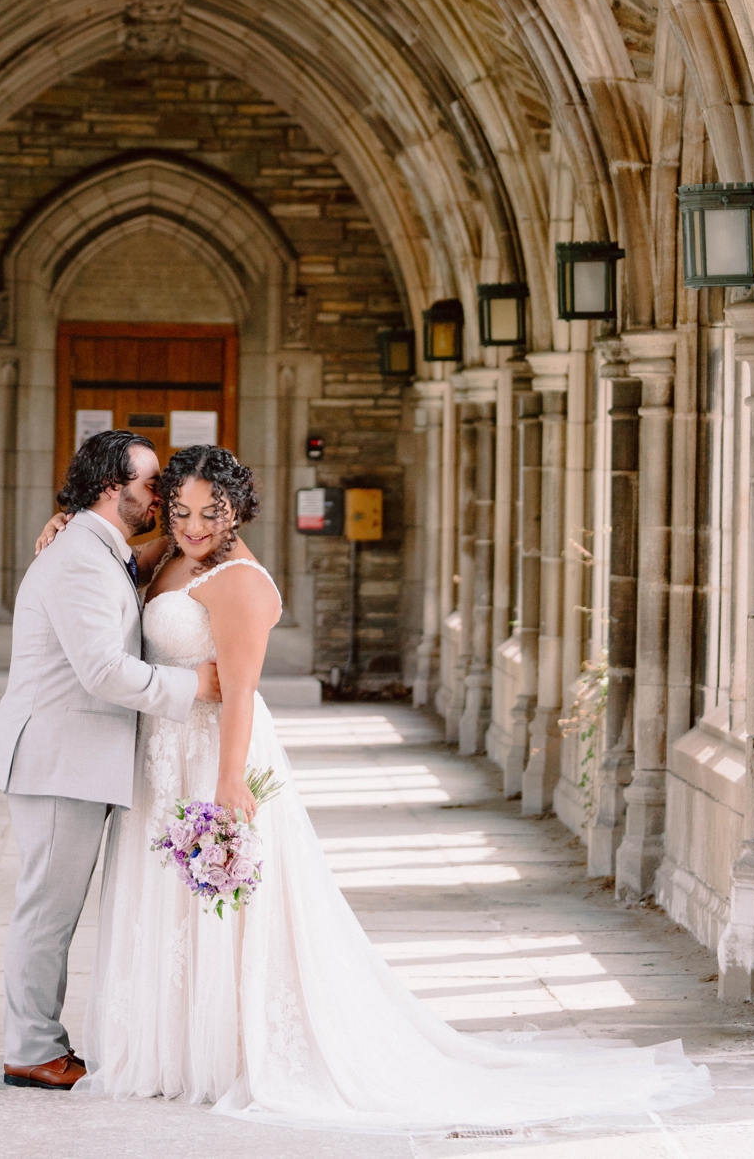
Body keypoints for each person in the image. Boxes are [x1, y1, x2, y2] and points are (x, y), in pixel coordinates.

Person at [38, 443, 712, 1132]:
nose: (193, 525)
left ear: (238, 508)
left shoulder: (238, 580)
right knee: (163, 903)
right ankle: (163, 1047)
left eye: (211, 512)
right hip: (162, 754)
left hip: (213, 750)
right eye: (179, 510)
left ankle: (225, 1053)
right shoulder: (167, 558)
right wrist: (64, 524)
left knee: (222, 912)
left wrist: (228, 786)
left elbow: (239, 693)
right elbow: (109, 560)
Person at [0, 428, 221, 1092]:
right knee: (47, 910)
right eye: (153, 485)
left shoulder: (96, 545)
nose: (162, 496)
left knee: (51, 907)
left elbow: (142, 563)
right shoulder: (81, 557)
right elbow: (102, 670)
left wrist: (190, 531)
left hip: (73, 757)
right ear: (114, 489)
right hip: (58, 759)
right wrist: (194, 686)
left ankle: (38, 1040)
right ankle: (31, 1048)